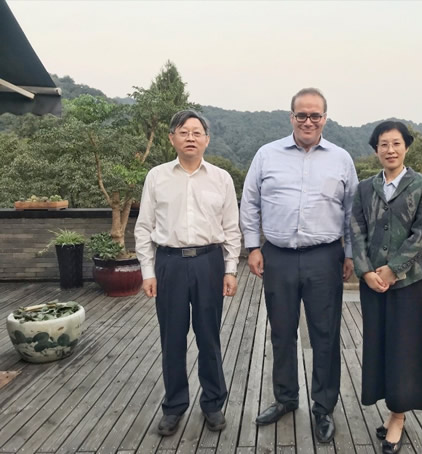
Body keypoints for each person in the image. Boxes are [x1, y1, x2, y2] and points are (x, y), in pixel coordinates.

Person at [240, 88, 358, 443]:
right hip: (278, 255)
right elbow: (250, 202)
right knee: (281, 332)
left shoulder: (341, 159)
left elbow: (352, 212)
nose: (308, 121)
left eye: (315, 115)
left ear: (325, 118)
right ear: (291, 117)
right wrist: (252, 247)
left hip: (325, 257)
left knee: (325, 334)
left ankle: (323, 406)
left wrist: (350, 253)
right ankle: (286, 398)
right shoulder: (267, 155)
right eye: (301, 115)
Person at [134, 110, 241, 436]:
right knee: (172, 338)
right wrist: (148, 271)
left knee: (209, 336)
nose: (190, 138)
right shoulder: (157, 177)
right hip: (170, 263)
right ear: (172, 138)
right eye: (184, 132)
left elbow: (231, 228)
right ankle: (174, 405)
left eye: (197, 132)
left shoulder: (221, 178)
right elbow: (144, 227)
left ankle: (213, 403)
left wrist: (230, 269)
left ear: (207, 139)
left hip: (209, 262)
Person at [350, 120, 422, 454]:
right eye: (383, 144)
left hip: (407, 283)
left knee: (404, 348)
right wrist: (366, 272)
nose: (390, 150)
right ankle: (389, 407)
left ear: (406, 147)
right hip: (372, 282)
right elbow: (356, 231)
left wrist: (393, 270)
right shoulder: (365, 188)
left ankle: (398, 416)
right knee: (379, 345)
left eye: (396, 143)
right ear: (376, 150)